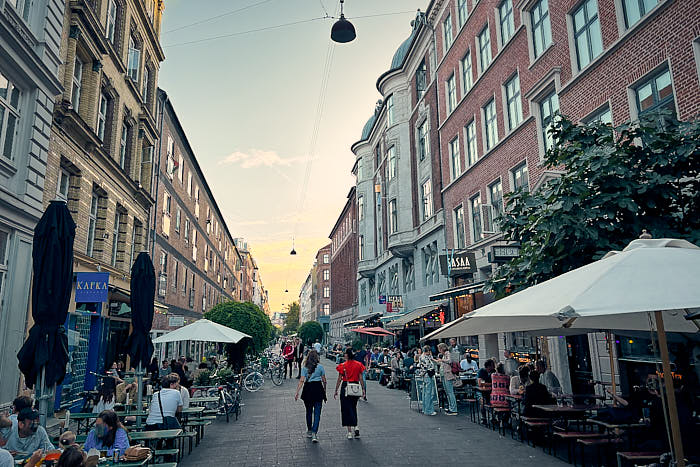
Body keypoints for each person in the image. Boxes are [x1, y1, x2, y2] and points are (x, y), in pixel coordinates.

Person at [294, 350, 327, 443]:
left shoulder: (305, 368)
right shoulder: (320, 367)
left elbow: (301, 380)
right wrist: (324, 390)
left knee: (309, 411)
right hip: (318, 389)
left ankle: (309, 430)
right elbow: (324, 380)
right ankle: (314, 432)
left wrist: (297, 392)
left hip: (308, 389)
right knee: (317, 413)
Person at [334, 348, 366, 439]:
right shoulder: (359, 364)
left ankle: (349, 432)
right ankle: (356, 425)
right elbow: (361, 378)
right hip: (355, 386)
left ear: (347, 355)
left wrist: (336, 389)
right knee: (353, 406)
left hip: (346, 386)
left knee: (346, 408)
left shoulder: (343, 366)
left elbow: (339, 379)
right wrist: (363, 389)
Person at [437, 343, 458, 415]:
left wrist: (441, 360)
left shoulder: (447, 353)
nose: (439, 350)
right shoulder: (444, 355)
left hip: (448, 375)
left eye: (439, 349)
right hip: (444, 375)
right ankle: (451, 407)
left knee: (450, 392)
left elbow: (449, 361)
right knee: (448, 392)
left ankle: (453, 409)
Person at [419, 346, 437, 416]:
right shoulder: (425, 357)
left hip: (424, 376)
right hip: (428, 375)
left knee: (425, 393)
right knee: (429, 393)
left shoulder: (422, 356)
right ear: (428, 351)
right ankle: (428, 410)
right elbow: (428, 367)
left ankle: (425, 408)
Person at [477, 359, 496, 424]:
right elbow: (480, 383)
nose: (493, 367)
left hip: (491, 391)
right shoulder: (482, 371)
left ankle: (493, 417)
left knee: (494, 400)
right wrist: (491, 384)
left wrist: (486, 383)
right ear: (488, 366)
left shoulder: (494, 372)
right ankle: (483, 417)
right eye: (492, 366)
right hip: (482, 391)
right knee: (482, 401)